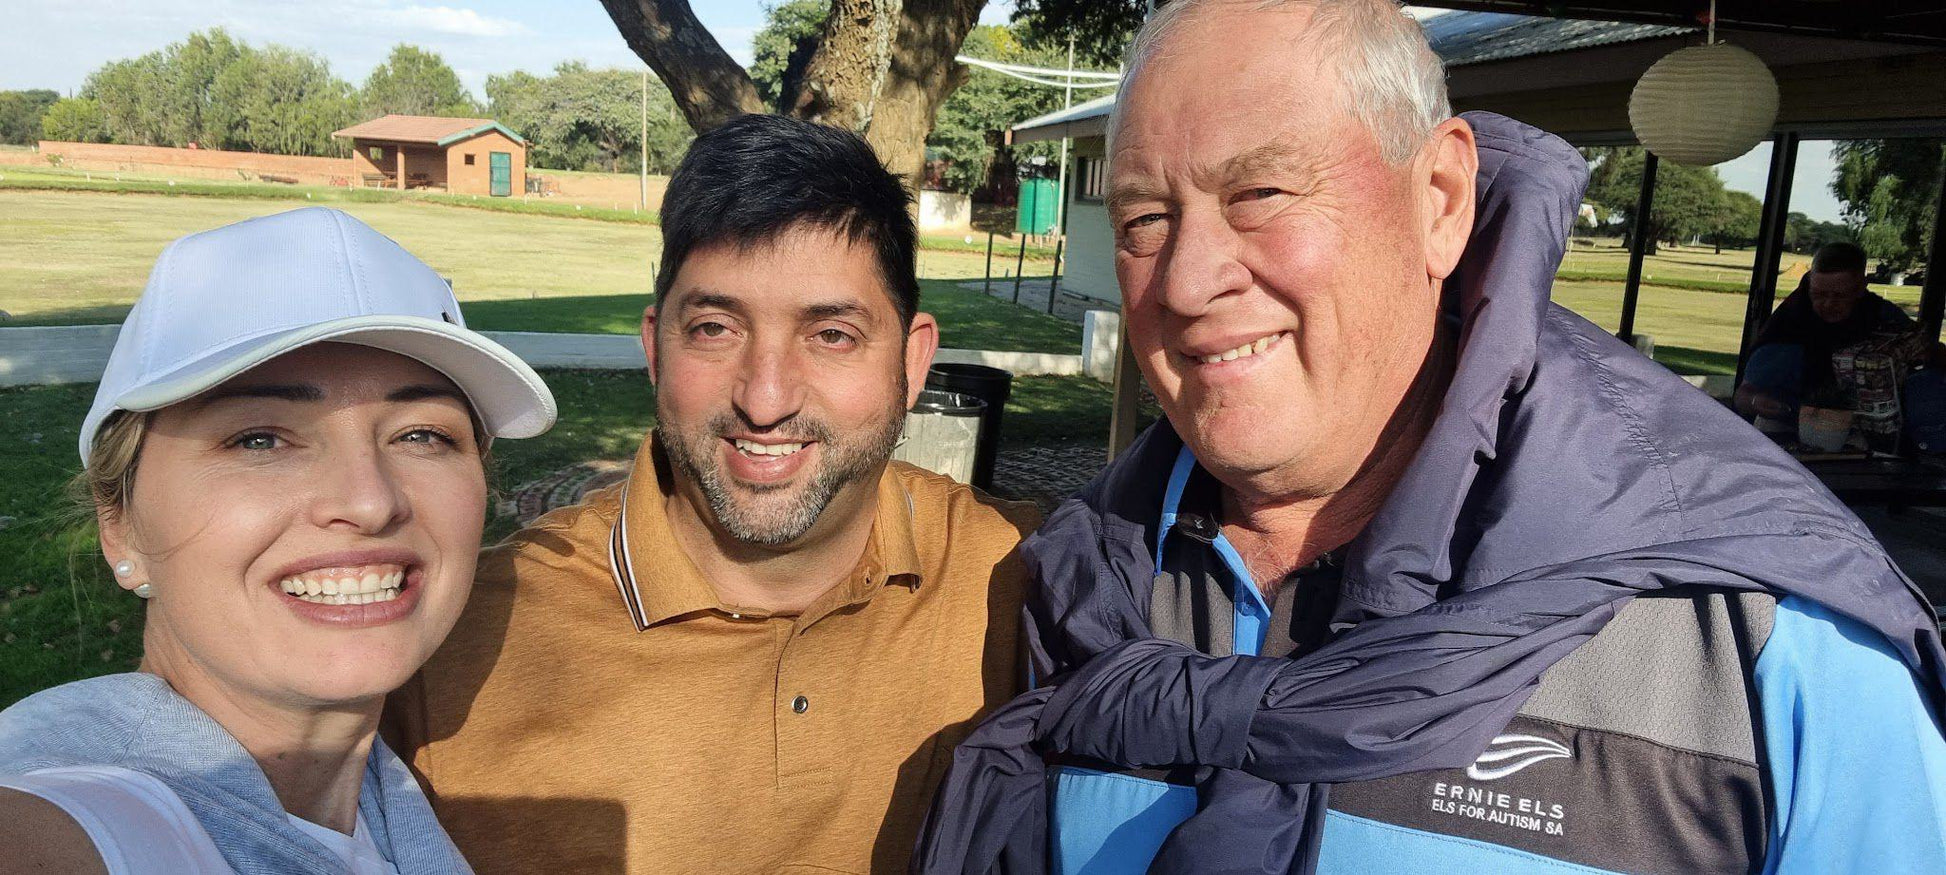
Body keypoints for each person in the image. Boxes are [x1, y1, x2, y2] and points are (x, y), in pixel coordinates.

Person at [914, 2, 1946, 873]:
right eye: (1143, 217)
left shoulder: (1767, 643)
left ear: (1439, 201)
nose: (1184, 282)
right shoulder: (1072, 585)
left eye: (1260, 192)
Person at [381, 114, 1038, 874]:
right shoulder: (448, 641)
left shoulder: (1025, 573)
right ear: (656, 346)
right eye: (716, 328)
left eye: (831, 335)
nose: (766, 399)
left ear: (914, 360)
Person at [0, 207, 557, 874]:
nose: (369, 500)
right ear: (120, 525)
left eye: (421, 435)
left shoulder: (384, 802)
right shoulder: (69, 819)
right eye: (259, 438)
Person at [1736, 241, 1922, 422]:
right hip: (1790, 428)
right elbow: (1743, 395)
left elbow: (1926, 351)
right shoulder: (1790, 328)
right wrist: (1758, 402)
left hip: (1872, 433)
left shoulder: (1884, 316)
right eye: (1818, 294)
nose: (1828, 304)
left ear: (1861, 287)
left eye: (1839, 296)